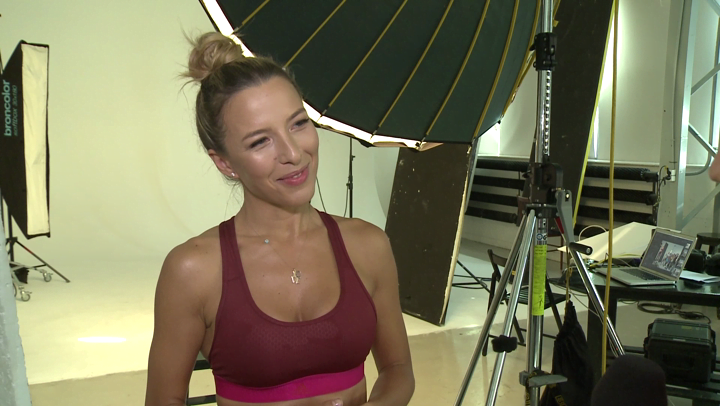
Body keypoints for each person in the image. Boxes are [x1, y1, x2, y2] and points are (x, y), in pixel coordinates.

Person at [144, 32, 415, 406]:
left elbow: (398, 369)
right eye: (260, 141)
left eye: (298, 123)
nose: (293, 153)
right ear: (224, 162)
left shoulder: (368, 246)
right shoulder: (194, 271)